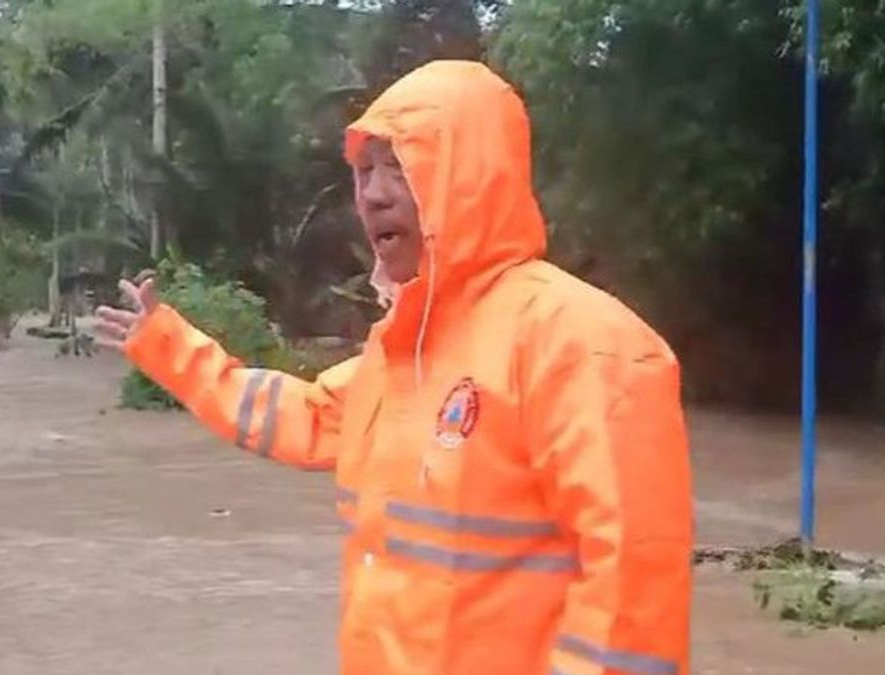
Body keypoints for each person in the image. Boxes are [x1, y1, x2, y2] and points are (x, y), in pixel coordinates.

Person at [96, 60, 692, 675]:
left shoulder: (584, 343)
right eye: (363, 171)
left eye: (400, 165)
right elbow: (305, 416)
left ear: (470, 175)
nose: (373, 193)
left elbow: (631, 592)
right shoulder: (408, 346)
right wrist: (166, 346)